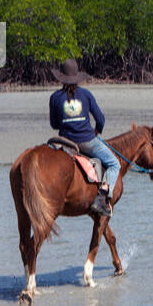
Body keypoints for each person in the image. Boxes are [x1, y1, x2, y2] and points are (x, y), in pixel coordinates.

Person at [49, 58, 118, 218]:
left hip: (65, 142)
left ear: (62, 77)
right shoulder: (86, 95)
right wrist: (96, 132)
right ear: (76, 77)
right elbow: (100, 119)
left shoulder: (54, 97)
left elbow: (54, 124)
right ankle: (102, 197)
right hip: (87, 142)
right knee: (114, 163)